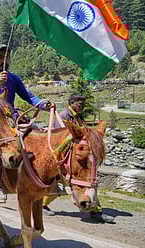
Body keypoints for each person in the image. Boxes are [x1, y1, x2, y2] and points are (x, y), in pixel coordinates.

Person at [0, 44, 54, 203]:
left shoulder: (14, 78)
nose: (3, 60)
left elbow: (28, 96)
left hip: (11, 117)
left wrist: (43, 104)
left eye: (6, 57)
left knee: (36, 135)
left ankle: (45, 176)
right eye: (0, 57)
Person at [43, 93, 115, 223]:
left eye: (82, 102)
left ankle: (95, 210)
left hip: (75, 156)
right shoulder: (64, 116)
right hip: (65, 156)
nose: (81, 105)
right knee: (66, 184)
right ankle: (95, 211)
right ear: (71, 102)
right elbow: (60, 136)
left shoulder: (78, 117)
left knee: (81, 181)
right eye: (78, 102)